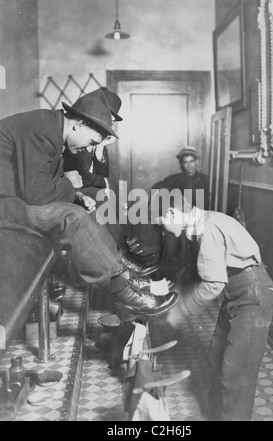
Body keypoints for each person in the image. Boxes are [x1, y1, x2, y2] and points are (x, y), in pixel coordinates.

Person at [0, 88, 178, 319]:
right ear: (79, 124)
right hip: (5, 202)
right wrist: (69, 183)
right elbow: (37, 195)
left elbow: (42, 182)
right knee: (73, 217)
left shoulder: (53, 129)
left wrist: (77, 194)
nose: (88, 149)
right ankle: (127, 295)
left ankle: (126, 278)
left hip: (14, 197)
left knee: (85, 207)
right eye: (91, 142)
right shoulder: (42, 131)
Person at [155, 197, 273, 421]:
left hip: (252, 294)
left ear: (172, 212)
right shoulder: (203, 221)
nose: (163, 229)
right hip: (237, 291)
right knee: (218, 356)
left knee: (236, 373)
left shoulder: (207, 228)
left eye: (161, 221)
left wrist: (179, 312)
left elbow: (213, 285)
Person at [63, 87, 160, 275]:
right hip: (71, 189)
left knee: (107, 193)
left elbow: (103, 172)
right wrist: (104, 183)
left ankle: (123, 248)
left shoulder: (97, 139)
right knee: (101, 194)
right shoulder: (78, 138)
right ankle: (123, 253)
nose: (112, 124)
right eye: (112, 118)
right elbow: (83, 176)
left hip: (83, 188)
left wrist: (99, 150)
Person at [151, 146, 209, 279]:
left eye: (191, 161)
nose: (189, 165)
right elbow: (157, 189)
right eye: (185, 162)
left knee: (192, 256)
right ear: (181, 164)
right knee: (168, 251)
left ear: (197, 162)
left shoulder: (204, 180)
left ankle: (185, 287)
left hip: (195, 222)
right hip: (176, 222)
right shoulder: (174, 179)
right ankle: (160, 289)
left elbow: (206, 204)